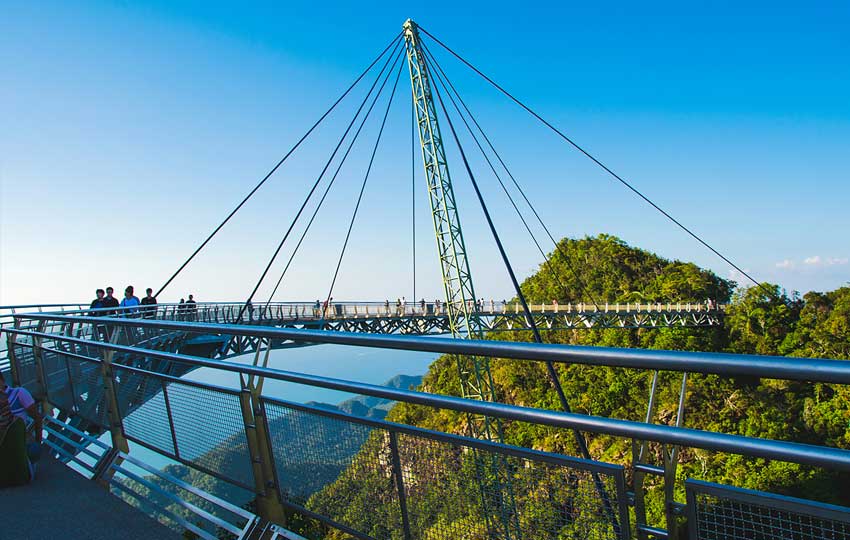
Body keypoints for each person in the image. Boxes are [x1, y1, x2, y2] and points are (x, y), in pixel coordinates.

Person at [0, 372, 42, 487]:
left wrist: (38, 442)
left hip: (19, 441)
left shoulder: (19, 393)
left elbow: (37, 417)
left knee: (34, 449)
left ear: (2, 380)